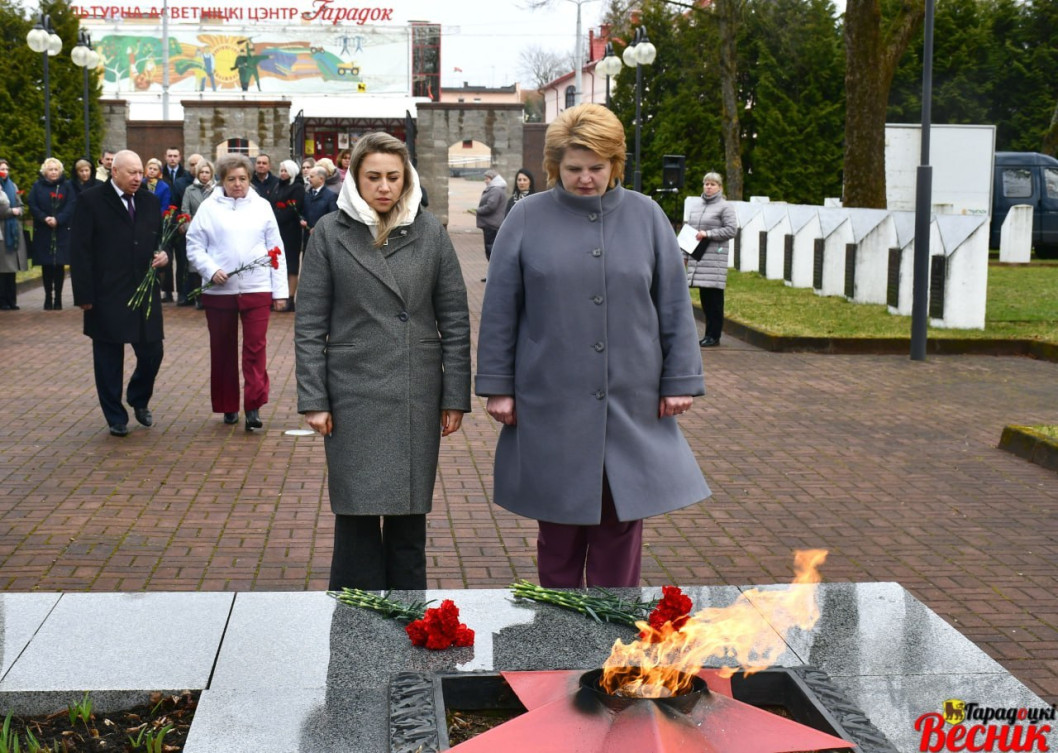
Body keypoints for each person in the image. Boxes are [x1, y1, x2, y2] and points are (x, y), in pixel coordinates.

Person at [475, 103, 710, 589]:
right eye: (574, 168)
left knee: (621, 523)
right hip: (551, 399)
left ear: (615, 164)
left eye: (597, 168)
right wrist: (499, 387)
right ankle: (559, 627)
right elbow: (499, 310)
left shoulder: (647, 216)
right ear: (555, 166)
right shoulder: (526, 218)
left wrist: (680, 380)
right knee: (558, 529)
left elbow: (673, 303)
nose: (585, 178)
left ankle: (615, 628)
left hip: (632, 400)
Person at [295, 131, 471, 591]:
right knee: (355, 522)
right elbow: (309, 323)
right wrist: (314, 398)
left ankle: (411, 624)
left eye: (394, 176)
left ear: (407, 178)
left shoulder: (430, 232)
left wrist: (455, 395)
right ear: (355, 177)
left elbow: (455, 319)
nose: (385, 186)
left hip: (415, 392)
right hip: (352, 393)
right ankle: (355, 625)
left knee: (408, 524)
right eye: (373, 176)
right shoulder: (329, 233)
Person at [186, 154, 289, 431]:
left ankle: (253, 405)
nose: (237, 184)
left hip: (257, 288)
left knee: (256, 348)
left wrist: (280, 292)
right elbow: (194, 245)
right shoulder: (209, 208)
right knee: (222, 349)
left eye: (243, 178)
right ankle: (227, 404)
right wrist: (210, 270)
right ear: (222, 180)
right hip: (220, 292)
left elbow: (276, 249)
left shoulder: (262, 206)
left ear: (249, 179)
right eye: (231, 179)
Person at [69, 150, 167, 437]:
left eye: (140, 173)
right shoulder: (91, 201)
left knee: (153, 352)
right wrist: (84, 295)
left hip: (144, 290)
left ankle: (138, 397)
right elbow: (80, 250)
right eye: (131, 173)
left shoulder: (149, 201)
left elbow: (159, 240)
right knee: (108, 358)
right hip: (106, 291)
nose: (138, 178)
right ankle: (115, 416)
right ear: (114, 172)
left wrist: (164, 256)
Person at [685, 172, 738, 348]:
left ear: (719, 187)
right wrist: (684, 256)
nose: (708, 187)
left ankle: (714, 336)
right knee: (705, 301)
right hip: (698, 259)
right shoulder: (696, 207)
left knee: (714, 301)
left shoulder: (725, 207)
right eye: (706, 183)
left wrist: (708, 234)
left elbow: (731, 230)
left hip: (714, 259)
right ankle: (708, 334)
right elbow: (689, 233)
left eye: (712, 184)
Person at [28, 157, 77, 310]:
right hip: (44, 230)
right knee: (47, 265)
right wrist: (45, 218)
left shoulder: (67, 186)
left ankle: (58, 298)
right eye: (51, 169)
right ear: (45, 171)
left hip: (61, 230)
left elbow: (71, 204)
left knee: (59, 264)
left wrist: (59, 219)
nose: (54, 172)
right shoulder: (37, 186)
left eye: (56, 169)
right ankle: (48, 297)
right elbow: (32, 204)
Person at [180, 159, 216, 310]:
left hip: (214, 231)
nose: (204, 175)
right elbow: (185, 211)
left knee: (212, 262)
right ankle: (198, 297)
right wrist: (191, 229)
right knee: (195, 266)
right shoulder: (190, 190)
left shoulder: (217, 190)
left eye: (207, 172)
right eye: (201, 172)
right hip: (195, 230)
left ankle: (211, 295)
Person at [272, 159, 305, 310]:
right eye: (281, 170)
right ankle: (281, 295)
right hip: (278, 229)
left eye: (285, 170)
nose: (282, 173)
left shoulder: (297, 187)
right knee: (279, 262)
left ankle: (291, 298)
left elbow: (294, 208)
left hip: (291, 230)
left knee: (291, 264)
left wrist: (277, 218)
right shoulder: (278, 185)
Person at [145, 158, 175, 301]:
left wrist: (155, 217)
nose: (151, 171)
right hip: (143, 223)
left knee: (161, 255)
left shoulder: (164, 187)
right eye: (149, 168)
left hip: (158, 222)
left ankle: (165, 290)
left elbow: (165, 205)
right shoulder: (142, 184)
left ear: (159, 172)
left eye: (155, 169)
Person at [0, 159, 28, 310]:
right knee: (3, 269)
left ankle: (12, 300)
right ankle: (2, 300)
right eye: (2, 169)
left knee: (11, 270)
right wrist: (11, 211)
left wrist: (19, 210)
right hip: (2, 232)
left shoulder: (13, 185)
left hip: (13, 231)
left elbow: (20, 205)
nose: (4, 172)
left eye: (6, 169)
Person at [476, 168, 506, 281]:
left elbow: (491, 206)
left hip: (492, 224)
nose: (485, 180)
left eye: (487, 178)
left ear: (493, 179)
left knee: (491, 251)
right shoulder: (495, 189)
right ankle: (493, 275)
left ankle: (494, 276)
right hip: (491, 224)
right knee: (491, 250)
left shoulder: (495, 190)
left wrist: (478, 210)